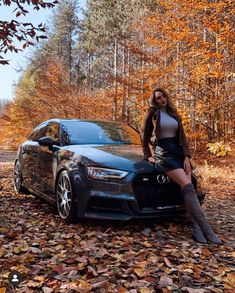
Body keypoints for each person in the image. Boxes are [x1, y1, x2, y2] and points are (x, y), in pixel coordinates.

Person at [141, 87, 222, 244]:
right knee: (188, 186)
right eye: (158, 97)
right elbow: (144, 134)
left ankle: (197, 230)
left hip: (178, 154)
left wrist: (186, 157)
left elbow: (183, 138)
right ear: (154, 100)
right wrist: (148, 155)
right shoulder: (153, 113)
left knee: (188, 190)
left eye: (163, 95)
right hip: (164, 154)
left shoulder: (173, 114)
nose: (162, 99)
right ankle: (207, 230)